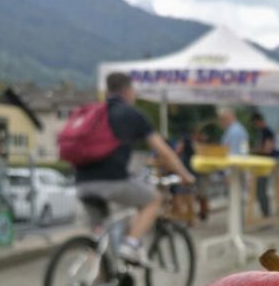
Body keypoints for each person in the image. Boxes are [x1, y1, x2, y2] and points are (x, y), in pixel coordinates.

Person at [75, 72, 195, 266]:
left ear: (108, 90)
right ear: (128, 91)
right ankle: (131, 244)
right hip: (112, 181)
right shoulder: (131, 114)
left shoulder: (95, 112)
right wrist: (185, 175)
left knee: (98, 240)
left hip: (82, 182)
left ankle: (97, 284)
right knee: (154, 199)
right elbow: (163, 151)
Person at [250, 112, 275, 218]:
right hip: (260, 165)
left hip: (264, 165)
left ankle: (266, 213)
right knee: (260, 190)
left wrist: (254, 151)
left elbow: (267, 149)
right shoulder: (262, 132)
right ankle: (265, 212)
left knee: (261, 190)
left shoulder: (267, 132)